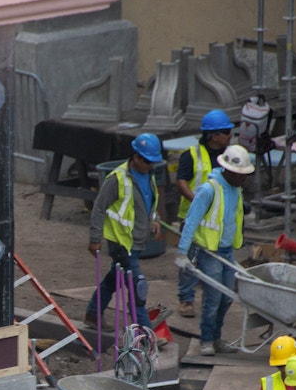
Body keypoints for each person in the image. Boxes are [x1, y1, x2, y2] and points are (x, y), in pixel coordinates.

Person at [175, 144, 254, 356]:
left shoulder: (236, 190)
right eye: (240, 174)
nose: (243, 178)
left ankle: (216, 337)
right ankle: (207, 339)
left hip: (226, 250)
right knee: (213, 298)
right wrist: (183, 253)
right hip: (209, 252)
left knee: (227, 296)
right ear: (228, 170)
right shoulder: (209, 190)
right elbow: (191, 221)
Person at [85, 132, 163, 334]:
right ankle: (144, 332)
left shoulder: (148, 175)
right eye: (147, 161)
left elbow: (149, 202)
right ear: (136, 157)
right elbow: (99, 208)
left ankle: (93, 313)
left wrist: (155, 220)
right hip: (120, 243)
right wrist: (95, 239)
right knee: (138, 287)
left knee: (115, 278)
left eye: (153, 162)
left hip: (136, 242)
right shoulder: (117, 179)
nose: (150, 166)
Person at [175, 109, 233, 319]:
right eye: (226, 132)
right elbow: (181, 181)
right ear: (213, 135)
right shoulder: (191, 154)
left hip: (218, 219)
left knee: (215, 260)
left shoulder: (229, 156)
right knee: (189, 258)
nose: (230, 136)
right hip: (194, 215)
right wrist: (198, 202)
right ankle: (186, 299)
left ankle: (212, 299)